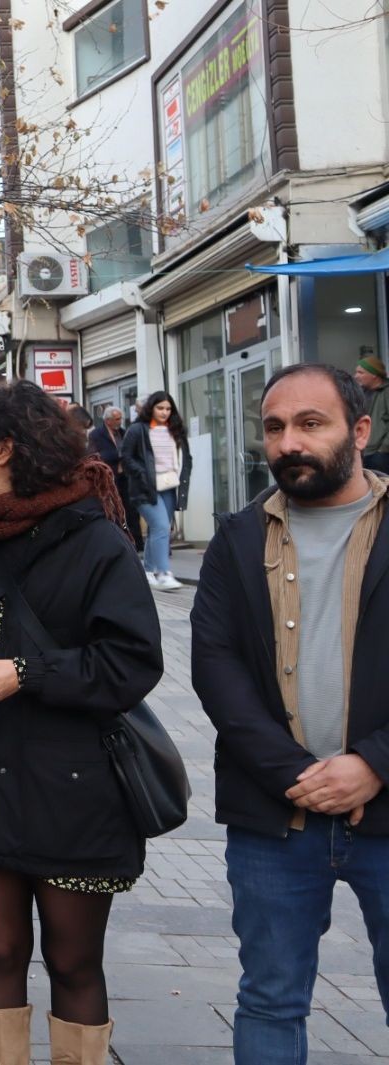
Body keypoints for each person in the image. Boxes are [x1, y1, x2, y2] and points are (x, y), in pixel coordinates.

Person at [0, 381, 161, 1065]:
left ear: (7, 447)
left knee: (73, 962)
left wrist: (27, 673)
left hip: (74, 789)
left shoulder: (96, 539)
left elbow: (131, 661)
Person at [190, 363, 389, 1065]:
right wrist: (298, 775)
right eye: (275, 427)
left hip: (386, 810)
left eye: (311, 423)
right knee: (270, 998)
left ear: (359, 430)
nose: (288, 443)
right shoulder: (239, 537)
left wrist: (372, 764)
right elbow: (215, 668)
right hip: (276, 817)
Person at [120, 390, 192, 590]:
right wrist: (141, 473)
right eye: (160, 408)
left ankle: (149, 571)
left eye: (168, 408)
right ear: (151, 408)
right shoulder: (138, 430)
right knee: (161, 526)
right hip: (145, 487)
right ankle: (163, 572)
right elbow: (125, 457)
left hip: (169, 486)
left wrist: (184, 476)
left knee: (157, 529)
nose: (164, 412)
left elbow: (186, 457)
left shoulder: (175, 430)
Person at [88, 407, 139, 548]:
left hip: (125, 477)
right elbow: (94, 455)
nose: (120, 422)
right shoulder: (97, 435)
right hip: (109, 476)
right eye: (117, 419)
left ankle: (135, 540)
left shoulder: (123, 433)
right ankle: (118, 539)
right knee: (113, 508)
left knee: (130, 508)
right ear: (107, 420)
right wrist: (116, 458)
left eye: (121, 418)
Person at [355, 354, 389, 474]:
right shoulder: (361, 392)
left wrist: (383, 449)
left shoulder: (386, 392)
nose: (356, 376)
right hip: (364, 450)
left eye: (360, 372)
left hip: (380, 454)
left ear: (374, 374)